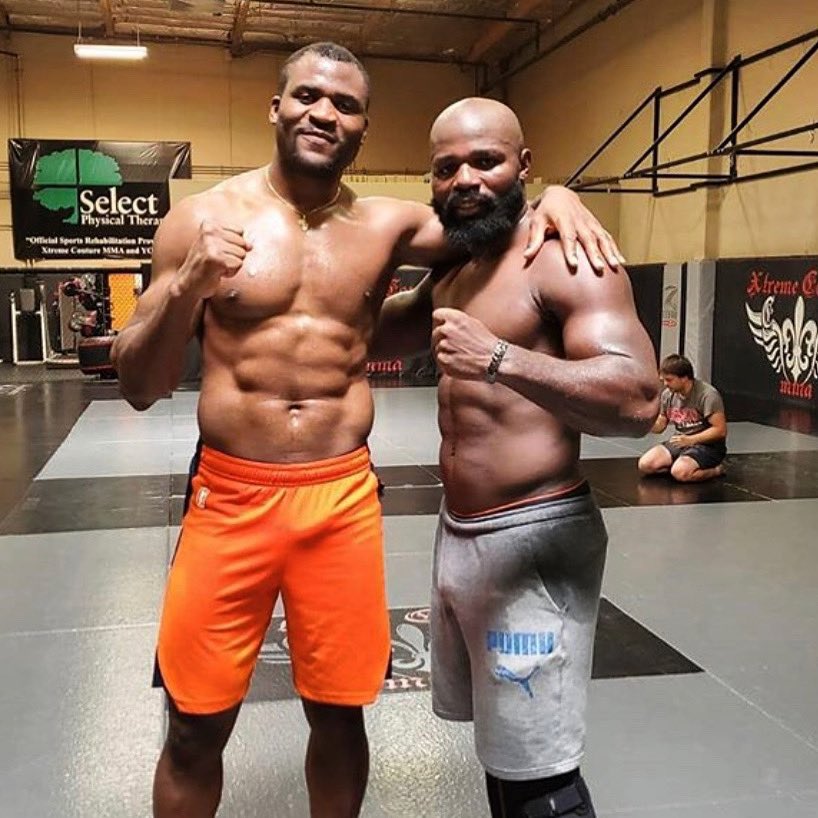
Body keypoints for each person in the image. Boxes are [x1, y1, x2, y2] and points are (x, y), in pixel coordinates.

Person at [110, 42, 624, 818]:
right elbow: (140, 385)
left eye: (345, 105)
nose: (324, 112)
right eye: (308, 96)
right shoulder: (199, 222)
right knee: (192, 723)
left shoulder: (393, 225)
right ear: (275, 107)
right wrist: (187, 285)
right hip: (231, 496)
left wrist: (562, 196)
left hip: (339, 498)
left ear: (363, 129)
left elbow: (495, 217)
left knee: (340, 710)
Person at [371, 97, 659, 818]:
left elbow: (637, 401)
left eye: (487, 161)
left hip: (535, 540)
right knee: (505, 760)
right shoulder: (454, 268)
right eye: (447, 168)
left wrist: (498, 358)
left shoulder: (564, 257)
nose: (466, 178)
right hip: (462, 534)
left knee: (542, 780)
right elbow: (372, 337)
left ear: (524, 166)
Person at [638, 353, 728, 482]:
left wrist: (691, 440)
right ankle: (681, 464)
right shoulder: (668, 395)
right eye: (663, 380)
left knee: (680, 473)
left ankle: (716, 470)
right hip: (680, 441)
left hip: (707, 446)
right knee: (645, 465)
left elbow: (720, 430)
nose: (665, 384)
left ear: (685, 378)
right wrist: (644, 422)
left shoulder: (708, 395)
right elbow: (660, 426)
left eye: (669, 380)